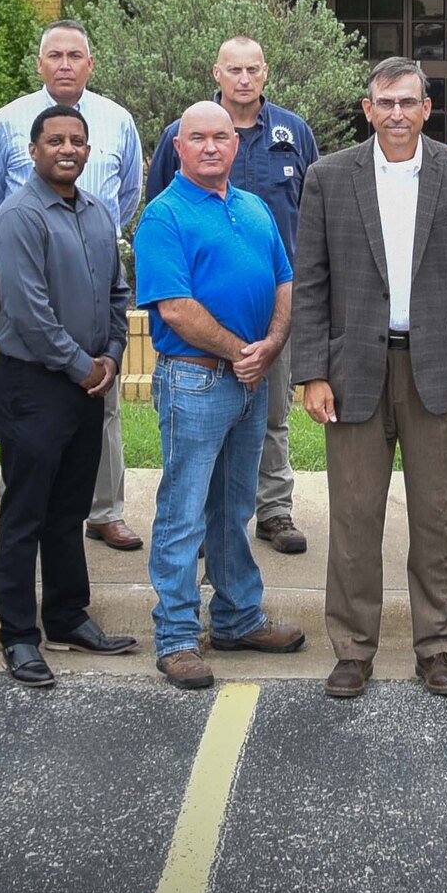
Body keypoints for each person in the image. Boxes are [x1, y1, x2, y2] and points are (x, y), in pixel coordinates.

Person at [293, 58, 447, 700]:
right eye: (385, 103)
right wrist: (311, 373)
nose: (397, 114)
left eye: (408, 102)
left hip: (439, 370)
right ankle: (353, 649)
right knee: (354, 518)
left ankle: (438, 648)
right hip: (354, 370)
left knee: (437, 518)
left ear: (427, 108)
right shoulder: (329, 177)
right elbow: (312, 283)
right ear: (367, 109)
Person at [133, 102, 306, 689]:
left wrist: (271, 346)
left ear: (237, 146)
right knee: (183, 513)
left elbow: (285, 279)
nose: (211, 147)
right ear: (177, 148)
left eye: (222, 138)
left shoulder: (253, 207)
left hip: (251, 380)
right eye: (197, 138)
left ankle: (236, 617)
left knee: (233, 510)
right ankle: (177, 636)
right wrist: (242, 352)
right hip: (195, 381)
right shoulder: (163, 217)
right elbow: (175, 308)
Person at [146, 36, 319, 556]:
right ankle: (201, 522)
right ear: (216, 73)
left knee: (271, 417)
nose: (244, 79)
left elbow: (315, 212)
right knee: (199, 440)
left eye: (252, 69)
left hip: (274, 318)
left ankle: (275, 510)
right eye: (233, 70)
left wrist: (281, 323)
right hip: (197, 330)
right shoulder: (182, 132)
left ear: (266, 73)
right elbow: (163, 204)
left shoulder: (293, 133)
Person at [0, 105, 140, 688]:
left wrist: (113, 356)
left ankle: (68, 616)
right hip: (32, 388)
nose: (68, 149)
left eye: (77, 140)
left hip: (87, 386)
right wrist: (81, 365)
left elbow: (117, 295)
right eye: (56, 140)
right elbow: (27, 311)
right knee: (25, 514)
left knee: (70, 511)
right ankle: (20, 637)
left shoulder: (99, 214)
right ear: (34, 149)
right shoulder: (19, 216)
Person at [0, 20, 146, 553]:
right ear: (40, 63)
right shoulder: (7, 122)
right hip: (32, 278)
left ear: (90, 64)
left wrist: (89, 242)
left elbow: (128, 196)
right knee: (32, 455)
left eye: (76, 55)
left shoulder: (117, 120)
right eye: (56, 54)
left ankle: (104, 512)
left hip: (94, 280)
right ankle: (28, 514)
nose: (66, 64)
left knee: (102, 415)